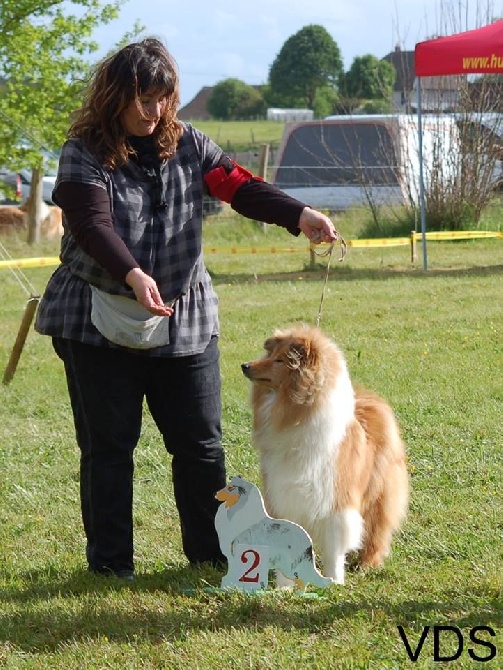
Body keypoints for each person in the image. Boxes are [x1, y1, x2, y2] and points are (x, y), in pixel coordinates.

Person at [35, 37, 339, 581]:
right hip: (98, 319)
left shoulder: (190, 144)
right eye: (143, 100)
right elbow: (90, 222)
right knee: (108, 447)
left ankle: (210, 554)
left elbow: (241, 188)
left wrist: (300, 214)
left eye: (163, 99)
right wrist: (130, 271)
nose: (155, 112)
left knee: (201, 445)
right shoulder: (83, 150)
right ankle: (111, 565)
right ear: (115, 97)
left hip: (185, 319)